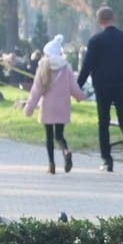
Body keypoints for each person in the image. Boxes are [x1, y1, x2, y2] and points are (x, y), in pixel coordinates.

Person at [77, 6, 123, 174]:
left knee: (103, 123)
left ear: (99, 21)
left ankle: (107, 160)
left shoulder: (95, 41)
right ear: (113, 18)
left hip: (103, 86)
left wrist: (77, 87)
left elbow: (87, 66)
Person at [24, 35, 84, 175]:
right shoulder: (66, 67)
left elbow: (36, 91)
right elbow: (73, 87)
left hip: (48, 107)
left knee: (49, 136)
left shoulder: (43, 67)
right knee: (59, 135)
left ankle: (51, 165)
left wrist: (29, 108)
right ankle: (66, 151)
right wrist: (80, 97)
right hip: (63, 105)